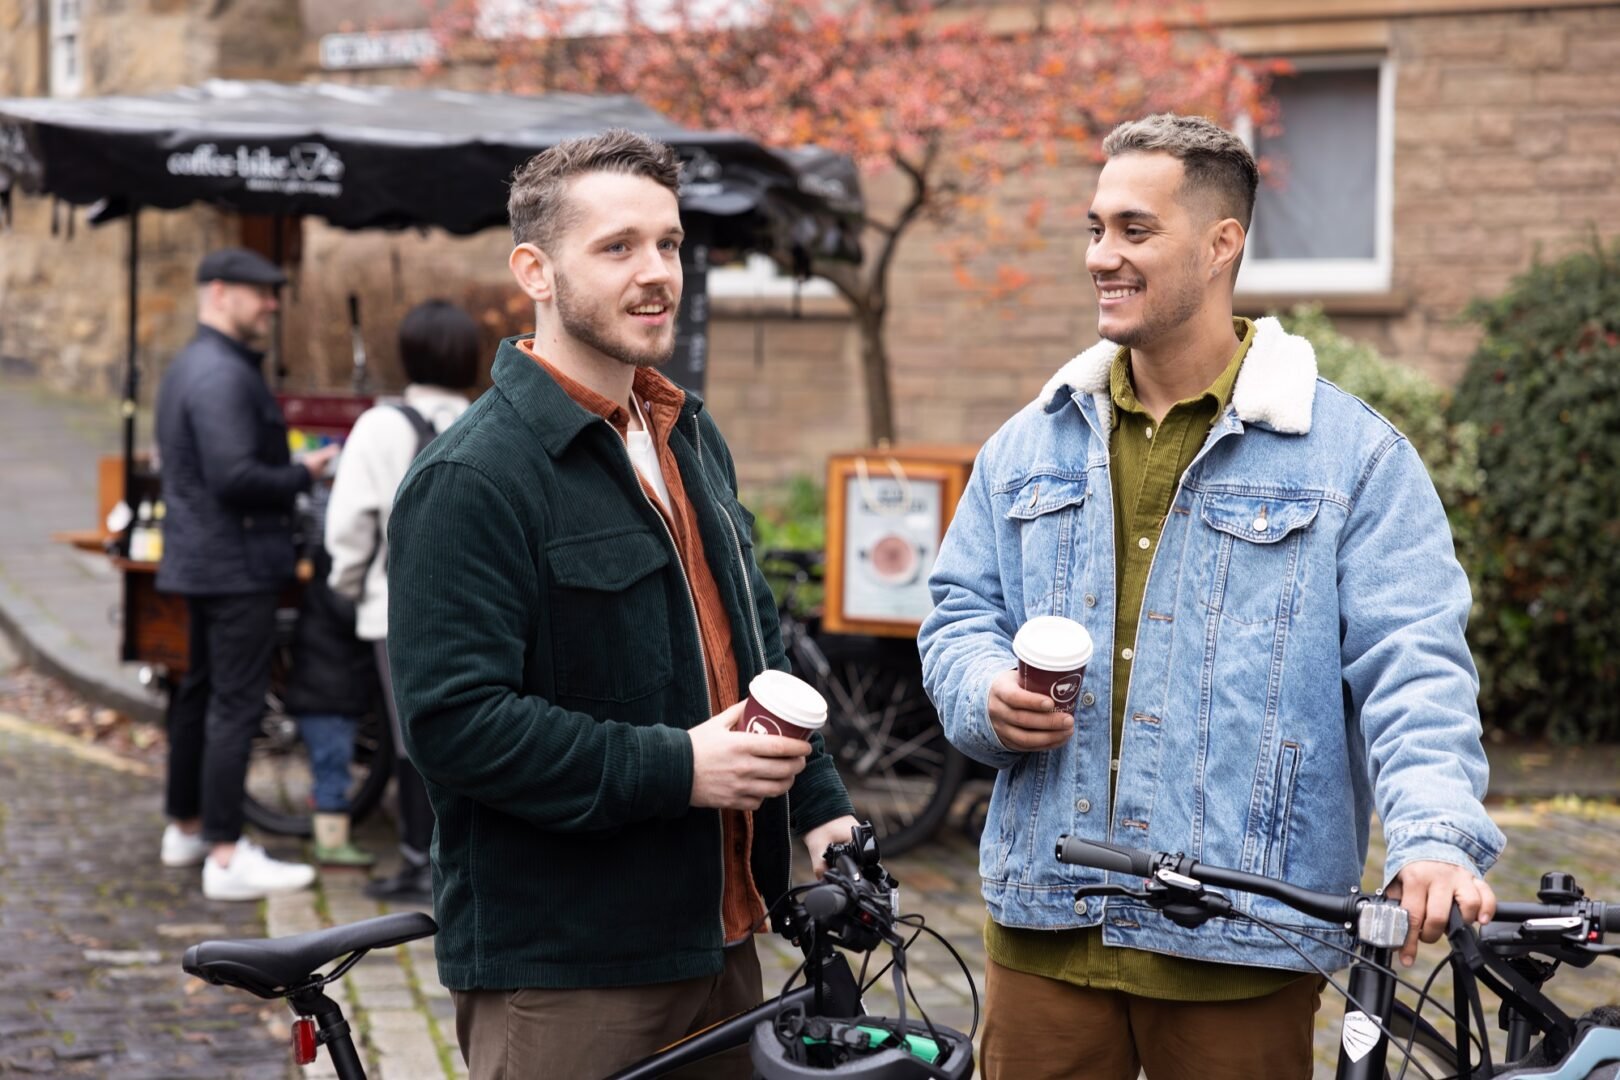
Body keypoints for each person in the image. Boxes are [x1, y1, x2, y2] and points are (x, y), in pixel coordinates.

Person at [918, 113, 1507, 1080]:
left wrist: (1434, 839)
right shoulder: (1027, 442)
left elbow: (1415, 666)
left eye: (1135, 231)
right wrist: (983, 689)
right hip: (1045, 925)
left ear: (1221, 243)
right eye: (1095, 228)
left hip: (1241, 938)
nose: (1102, 255)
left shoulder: (1354, 459)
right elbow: (957, 616)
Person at [385, 129, 859, 1079]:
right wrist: (677, 767)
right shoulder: (473, 478)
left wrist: (822, 811)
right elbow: (453, 725)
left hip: (726, 937)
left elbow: (753, 640)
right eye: (618, 248)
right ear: (537, 271)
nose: (657, 274)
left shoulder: (688, 432)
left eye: (669, 244)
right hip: (570, 970)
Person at [155, 247, 337, 901]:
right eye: (261, 293)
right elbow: (234, 477)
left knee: (199, 697)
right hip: (235, 565)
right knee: (234, 704)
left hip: (203, 560)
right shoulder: (222, 374)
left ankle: (187, 828)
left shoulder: (193, 366)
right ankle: (227, 855)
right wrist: (304, 473)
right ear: (221, 293)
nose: (271, 305)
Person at [324, 299, 483, 904]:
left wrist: (348, 587)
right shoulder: (491, 420)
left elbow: (349, 527)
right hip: (480, 609)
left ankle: (423, 862)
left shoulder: (380, 426)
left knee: (412, 739)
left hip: (395, 609)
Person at [284, 544, 378, 868]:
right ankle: (331, 844)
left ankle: (328, 834)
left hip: (326, 691)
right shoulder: (337, 580)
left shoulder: (324, 572)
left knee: (331, 766)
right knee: (333, 770)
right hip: (327, 696)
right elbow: (349, 614)